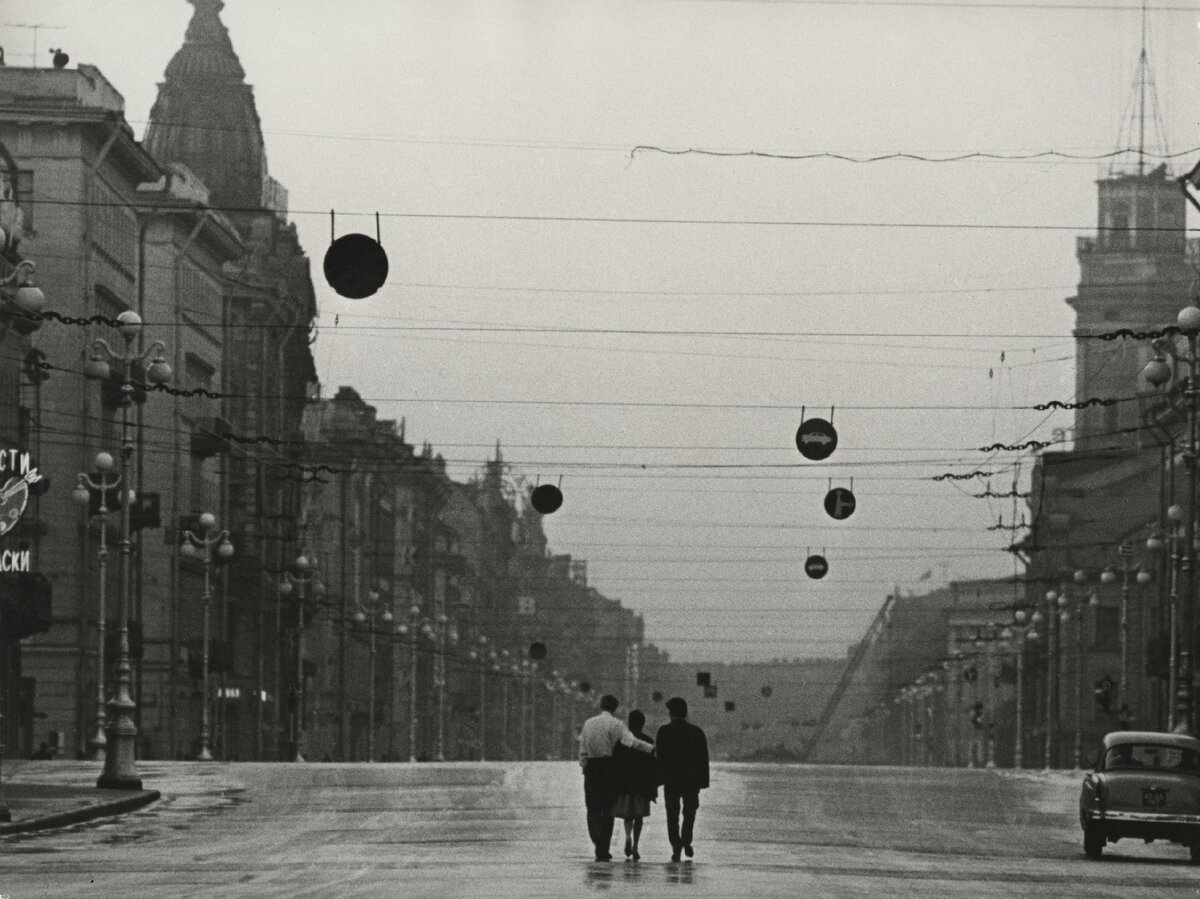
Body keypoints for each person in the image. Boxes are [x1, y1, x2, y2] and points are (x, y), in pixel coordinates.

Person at [579, 694, 654, 861]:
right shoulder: (617, 724)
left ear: (601, 705)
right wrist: (651, 748)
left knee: (592, 808)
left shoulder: (588, 723)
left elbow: (582, 747)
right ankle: (603, 846)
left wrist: (584, 765)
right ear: (615, 708)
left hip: (591, 767)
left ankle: (597, 841)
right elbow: (631, 742)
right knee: (607, 808)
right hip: (608, 768)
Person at [655, 697, 709, 862]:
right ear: (685, 714)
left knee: (672, 814)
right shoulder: (697, 732)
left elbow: (660, 757)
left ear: (671, 714)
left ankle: (676, 845)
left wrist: (658, 779)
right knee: (689, 812)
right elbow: (703, 759)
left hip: (671, 780)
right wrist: (703, 781)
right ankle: (686, 840)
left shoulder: (663, 731)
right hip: (690, 780)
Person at [611, 709, 658, 861]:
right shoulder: (648, 741)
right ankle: (636, 845)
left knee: (628, 815)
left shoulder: (622, 741)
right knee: (639, 816)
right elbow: (652, 765)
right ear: (642, 724)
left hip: (625, 784)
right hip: (641, 785)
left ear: (629, 723)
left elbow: (616, 764)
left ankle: (627, 837)